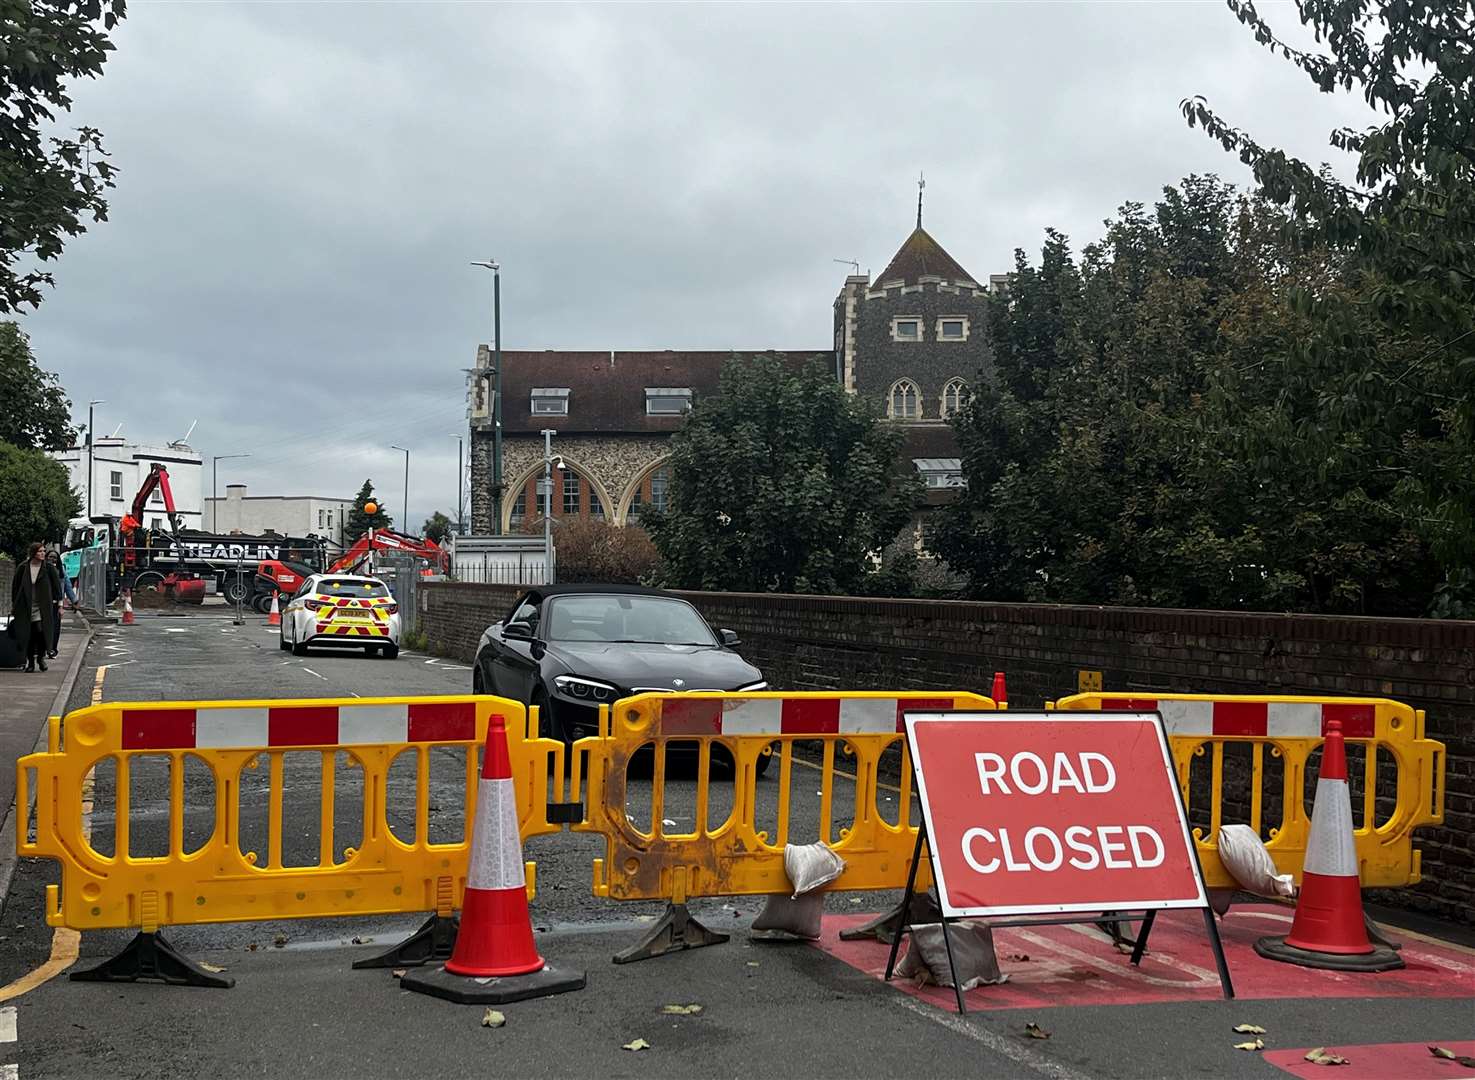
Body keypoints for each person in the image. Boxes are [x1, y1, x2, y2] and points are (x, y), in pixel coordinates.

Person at [10, 542, 57, 673]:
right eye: (40, 551)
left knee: (41, 631)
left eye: (43, 551)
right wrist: (15, 605)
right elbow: (16, 587)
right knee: (28, 634)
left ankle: (41, 657)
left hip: (42, 606)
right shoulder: (23, 567)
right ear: (33, 553)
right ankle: (30, 661)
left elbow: (56, 586)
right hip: (26, 605)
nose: (43, 553)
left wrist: (58, 603)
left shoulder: (48, 568)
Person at [45, 549, 77, 659]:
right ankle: (44, 649)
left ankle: (52, 649)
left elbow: (67, 585)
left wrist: (74, 600)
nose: (52, 559)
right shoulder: (42, 569)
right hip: (43, 603)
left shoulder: (61, 571)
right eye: (50, 557)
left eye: (54, 557)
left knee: (55, 627)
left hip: (56, 603)